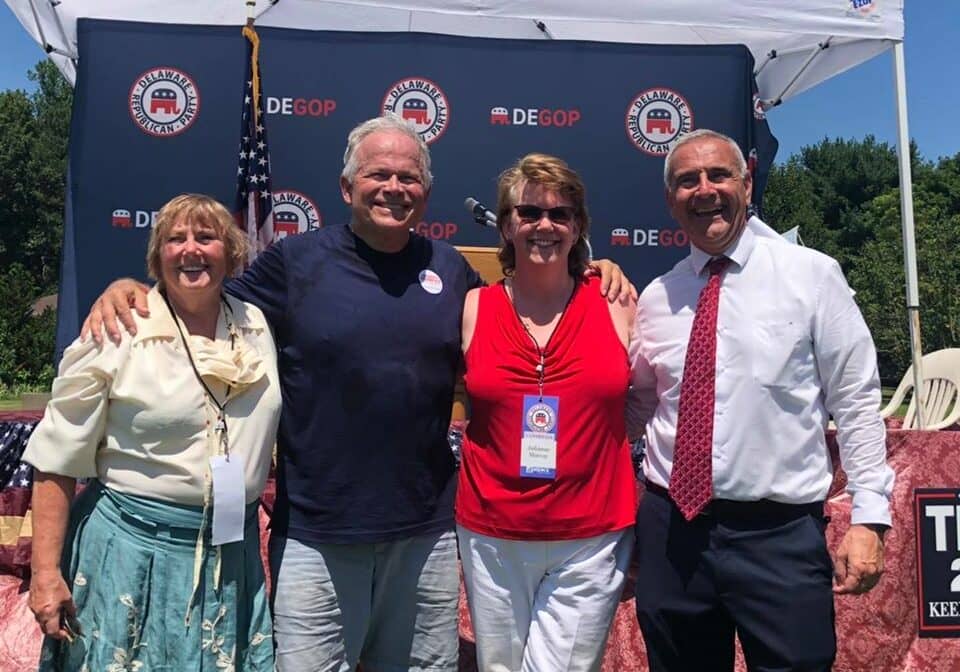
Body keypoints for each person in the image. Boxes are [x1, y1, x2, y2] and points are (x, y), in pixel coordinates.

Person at [80, 114, 632, 672]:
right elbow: (202, 303)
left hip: (426, 535)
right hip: (318, 535)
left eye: (409, 178)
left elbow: (526, 310)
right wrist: (133, 289)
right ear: (347, 187)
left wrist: (593, 269)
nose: (394, 187)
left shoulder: (450, 271)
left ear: (426, 194)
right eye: (378, 174)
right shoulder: (295, 262)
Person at [627, 128, 895, 672]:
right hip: (672, 533)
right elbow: (639, 409)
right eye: (688, 180)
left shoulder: (811, 275)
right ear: (670, 200)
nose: (705, 190)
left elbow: (856, 400)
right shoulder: (657, 297)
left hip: (780, 537)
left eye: (718, 175)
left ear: (747, 184)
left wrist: (870, 517)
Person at [24, 194, 281, 671]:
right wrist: (44, 574)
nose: (191, 249)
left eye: (206, 237)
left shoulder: (255, 325)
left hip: (231, 558)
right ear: (157, 255)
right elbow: (55, 459)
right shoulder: (118, 327)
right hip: (130, 554)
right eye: (175, 239)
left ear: (230, 251)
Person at [457, 154, 636, 671]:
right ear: (506, 225)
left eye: (560, 215)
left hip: (591, 535)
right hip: (491, 531)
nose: (545, 225)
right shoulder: (473, 306)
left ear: (578, 228)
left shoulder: (618, 302)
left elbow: (647, 405)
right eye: (529, 212)